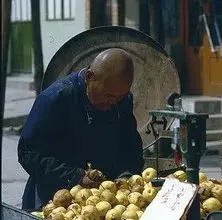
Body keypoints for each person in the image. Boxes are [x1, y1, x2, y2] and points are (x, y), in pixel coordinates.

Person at [19, 48, 144, 211]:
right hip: (53, 198)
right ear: (90, 77)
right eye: (109, 96)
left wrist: (126, 175)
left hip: (103, 202)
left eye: (120, 97)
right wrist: (75, 177)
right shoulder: (55, 99)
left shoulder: (122, 100)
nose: (114, 102)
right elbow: (28, 153)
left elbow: (130, 146)